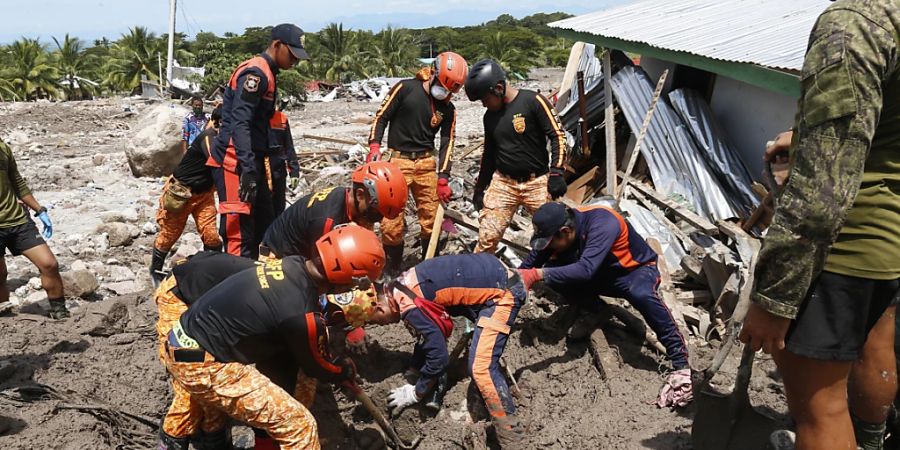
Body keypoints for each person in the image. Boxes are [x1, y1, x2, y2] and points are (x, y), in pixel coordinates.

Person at [739, 2, 900, 449]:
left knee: (819, 408)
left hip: (840, 248)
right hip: (888, 241)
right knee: (875, 350)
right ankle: (872, 442)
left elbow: (821, 196)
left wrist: (774, 297)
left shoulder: (854, 21)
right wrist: (805, 135)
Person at [160, 225, 384, 450]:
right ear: (345, 277)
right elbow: (316, 367)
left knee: (215, 414)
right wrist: (343, 370)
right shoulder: (302, 313)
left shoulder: (293, 265)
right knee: (300, 425)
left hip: (186, 342)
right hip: (204, 364)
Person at [517, 202, 691, 407]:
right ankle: (594, 309)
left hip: (633, 272)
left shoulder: (603, 223)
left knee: (641, 294)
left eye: (551, 242)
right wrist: (515, 279)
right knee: (556, 276)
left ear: (566, 231)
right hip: (600, 274)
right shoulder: (559, 233)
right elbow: (529, 265)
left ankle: (680, 360)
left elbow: (585, 269)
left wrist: (538, 274)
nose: (549, 248)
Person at [359, 253, 527, 448]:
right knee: (475, 356)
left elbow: (439, 357)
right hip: (491, 274)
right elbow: (426, 334)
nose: (381, 325)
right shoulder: (398, 286)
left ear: (379, 308)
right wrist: (415, 369)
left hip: (502, 293)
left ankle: (513, 437)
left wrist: (417, 392)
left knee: (482, 369)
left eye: (376, 321)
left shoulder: (408, 305)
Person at [208, 23, 309, 259]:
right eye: (292, 55)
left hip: (252, 158)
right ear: (277, 45)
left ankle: (258, 280)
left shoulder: (268, 72)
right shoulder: (256, 73)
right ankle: (235, 288)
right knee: (239, 233)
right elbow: (240, 123)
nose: (295, 62)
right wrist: (248, 169)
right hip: (235, 160)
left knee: (266, 223)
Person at [367, 52, 468, 276]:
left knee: (431, 220)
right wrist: (374, 145)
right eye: (444, 87)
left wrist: (443, 176)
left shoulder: (448, 109)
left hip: (426, 163)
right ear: (433, 74)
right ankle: (392, 269)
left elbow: (447, 141)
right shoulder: (405, 89)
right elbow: (381, 116)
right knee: (391, 222)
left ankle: (428, 267)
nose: (446, 94)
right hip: (397, 161)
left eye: (451, 91)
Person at [154, 251, 258, 450]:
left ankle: (213, 436)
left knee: (213, 377)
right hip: (178, 298)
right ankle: (173, 438)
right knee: (191, 381)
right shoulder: (268, 288)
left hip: (202, 297)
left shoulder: (277, 278)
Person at [464, 59, 568, 254]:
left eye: (485, 99)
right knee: (487, 236)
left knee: (554, 234)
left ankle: (558, 275)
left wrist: (557, 172)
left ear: (498, 88)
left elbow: (558, 135)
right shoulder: (490, 117)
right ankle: (480, 277)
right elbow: (489, 155)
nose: (484, 104)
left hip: (536, 182)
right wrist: (480, 188)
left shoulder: (533, 102)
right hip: (504, 183)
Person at [260, 161, 407, 261]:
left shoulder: (353, 204)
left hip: (303, 255)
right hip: (277, 260)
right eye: (377, 214)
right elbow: (321, 268)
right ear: (360, 194)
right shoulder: (328, 219)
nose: (380, 220)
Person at [150, 107, 224, 287]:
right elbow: (218, 161)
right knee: (169, 234)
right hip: (181, 193)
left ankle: (210, 270)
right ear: (216, 122)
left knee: (212, 236)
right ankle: (155, 271)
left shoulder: (224, 139)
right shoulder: (209, 137)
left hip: (204, 194)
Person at [0, 138, 68, 319]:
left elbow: (17, 182)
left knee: (49, 264)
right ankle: (5, 319)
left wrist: (39, 209)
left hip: (18, 220)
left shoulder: (3, 147)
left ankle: (60, 312)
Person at [268, 103, 300, 216]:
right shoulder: (256, 117)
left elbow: (289, 146)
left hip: (278, 169)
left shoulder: (282, 118)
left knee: (279, 205)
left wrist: (294, 171)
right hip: (262, 169)